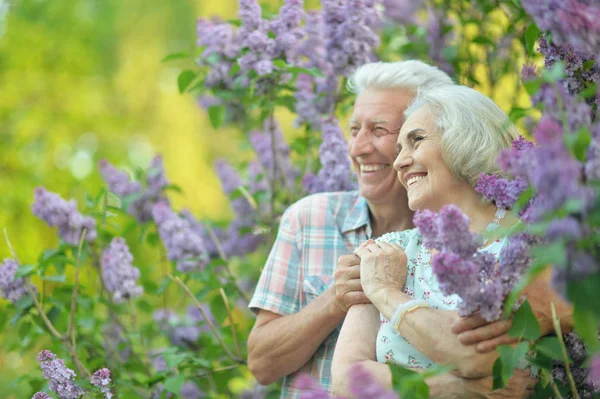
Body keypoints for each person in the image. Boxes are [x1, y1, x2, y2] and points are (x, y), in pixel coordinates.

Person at [330, 85, 573, 397]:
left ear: (466, 138)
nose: (399, 162)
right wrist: (447, 387)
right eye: (399, 149)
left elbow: (476, 358)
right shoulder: (389, 250)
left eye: (415, 141)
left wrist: (384, 292)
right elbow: (344, 380)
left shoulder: (531, 244)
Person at [247, 60, 454, 398]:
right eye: (355, 129)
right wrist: (334, 300)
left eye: (379, 130)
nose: (358, 148)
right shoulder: (308, 219)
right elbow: (261, 363)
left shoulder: (463, 241)